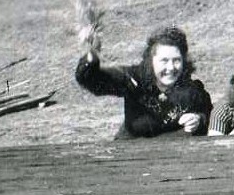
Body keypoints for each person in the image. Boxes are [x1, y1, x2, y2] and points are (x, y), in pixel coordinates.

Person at [75, 26, 212, 138]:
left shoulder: (192, 89)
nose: (171, 68)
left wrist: (198, 120)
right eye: (164, 61)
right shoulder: (134, 79)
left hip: (171, 156)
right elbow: (92, 80)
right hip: (130, 153)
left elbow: (207, 113)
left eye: (176, 60)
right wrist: (91, 56)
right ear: (151, 61)